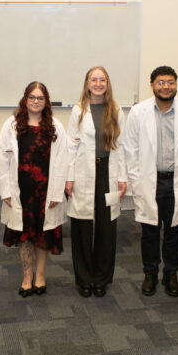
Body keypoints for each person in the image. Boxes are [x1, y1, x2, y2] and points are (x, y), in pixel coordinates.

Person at [121, 66, 178, 297]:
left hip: (177, 181)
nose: (166, 86)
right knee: (149, 231)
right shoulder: (139, 112)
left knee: (174, 231)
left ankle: (171, 273)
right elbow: (131, 148)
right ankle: (150, 273)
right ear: (152, 85)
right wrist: (137, 180)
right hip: (150, 181)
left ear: (176, 85)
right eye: (161, 82)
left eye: (170, 82)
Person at [0, 81, 67, 297]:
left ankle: (40, 276)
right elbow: (2, 159)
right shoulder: (12, 124)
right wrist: (5, 191)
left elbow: (63, 160)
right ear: (25, 99)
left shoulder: (55, 126)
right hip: (20, 192)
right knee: (24, 235)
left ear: (46, 102)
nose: (36, 101)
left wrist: (57, 192)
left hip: (46, 191)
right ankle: (27, 277)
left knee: (42, 234)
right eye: (32, 97)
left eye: (40, 98)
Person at [64, 66, 127, 298]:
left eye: (102, 79)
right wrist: (69, 177)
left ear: (107, 83)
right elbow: (71, 145)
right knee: (81, 227)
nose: (98, 83)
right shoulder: (78, 110)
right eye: (94, 79)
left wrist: (123, 177)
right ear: (87, 83)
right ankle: (84, 279)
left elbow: (123, 146)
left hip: (108, 173)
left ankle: (101, 279)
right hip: (83, 173)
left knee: (106, 228)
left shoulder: (116, 110)